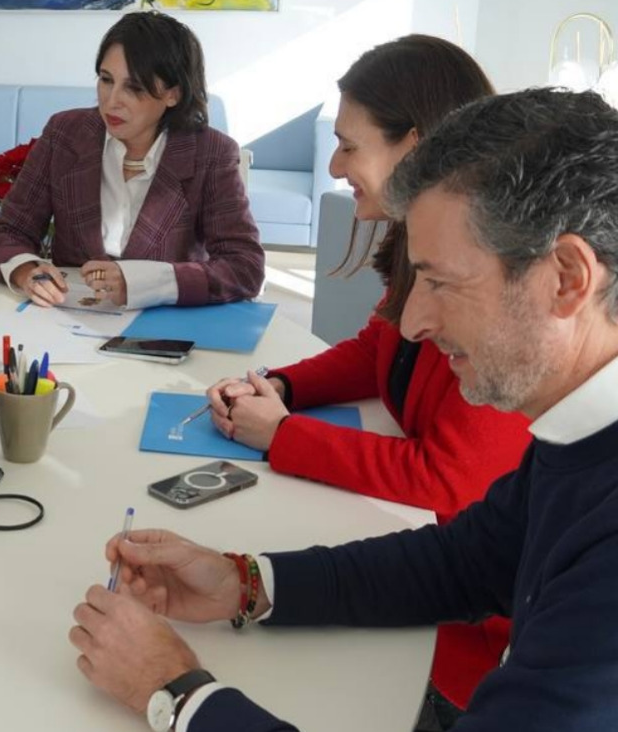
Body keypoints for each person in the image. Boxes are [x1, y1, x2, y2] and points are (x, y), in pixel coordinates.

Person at [71, 88, 618, 731]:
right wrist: (243, 582)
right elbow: (463, 562)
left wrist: (175, 694)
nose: (413, 321)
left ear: (567, 279)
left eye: (440, 283)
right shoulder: (579, 433)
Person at [204, 36, 528, 718]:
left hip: (458, 655)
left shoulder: (496, 307)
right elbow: (376, 346)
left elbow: (451, 485)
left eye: (350, 145)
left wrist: (284, 437)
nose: (334, 163)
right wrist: (282, 388)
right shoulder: (429, 254)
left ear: (414, 145)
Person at [0, 11, 263, 311]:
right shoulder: (64, 133)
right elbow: (7, 231)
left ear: (173, 94)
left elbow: (245, 266)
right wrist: (27, 271)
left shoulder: (212, 153)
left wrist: (145, 282)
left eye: (134, 87)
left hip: (164, 329)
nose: (112, 100)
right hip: (66, 323)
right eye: (106, 80)